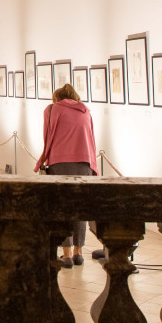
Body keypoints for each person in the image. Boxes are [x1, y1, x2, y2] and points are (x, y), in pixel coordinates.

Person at [34, 83, 97, 268]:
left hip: (60, 163)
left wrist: (42, 161)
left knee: (61, 207)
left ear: (57, 98)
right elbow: (92, 138)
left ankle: (67, 253)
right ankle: (79, 252)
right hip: (84, 163)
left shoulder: (52, 109)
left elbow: (47, 137)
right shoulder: (85, 111)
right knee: (79, 208)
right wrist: (93, 166)